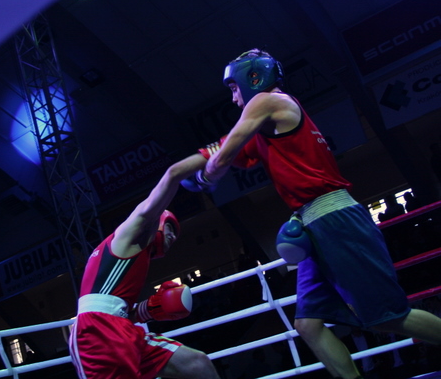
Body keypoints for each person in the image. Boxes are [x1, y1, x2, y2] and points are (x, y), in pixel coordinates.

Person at [182, 48, 441, 379]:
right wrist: (194, 166)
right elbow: (231, 152)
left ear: (253, 79)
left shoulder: (266, 101)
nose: (234, 99)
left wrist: (204, 178)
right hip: (312, 224)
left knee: (388, 317)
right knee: (307, 325)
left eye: (234, 88)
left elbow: (223, 157)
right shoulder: (266, 120)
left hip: (333, 219)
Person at [68, 153, 220, 379]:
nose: (172, 237)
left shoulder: (128, 255)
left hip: (121, 327)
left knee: (198, 364)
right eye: (170, 229)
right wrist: (215, 152)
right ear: (156, 223)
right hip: (97, 331)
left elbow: (114, 306)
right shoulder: (130, 234)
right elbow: (172, 175)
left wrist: (147, 309)